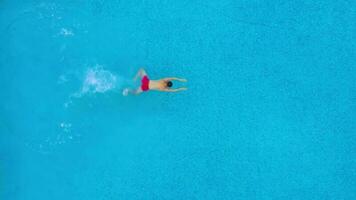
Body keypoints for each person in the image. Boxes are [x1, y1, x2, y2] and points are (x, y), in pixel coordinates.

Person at [123, 68, 187, 95]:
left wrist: (180, 79)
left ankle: (134, 79)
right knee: (135, 93)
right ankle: (127, 90)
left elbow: (173, 78)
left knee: (141, 70)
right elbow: (174, 90)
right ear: (168, 87)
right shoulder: (164, 89)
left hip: (147, 81)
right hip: (146, 87)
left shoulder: (163, 80)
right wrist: (182, 88)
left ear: (167, 82)